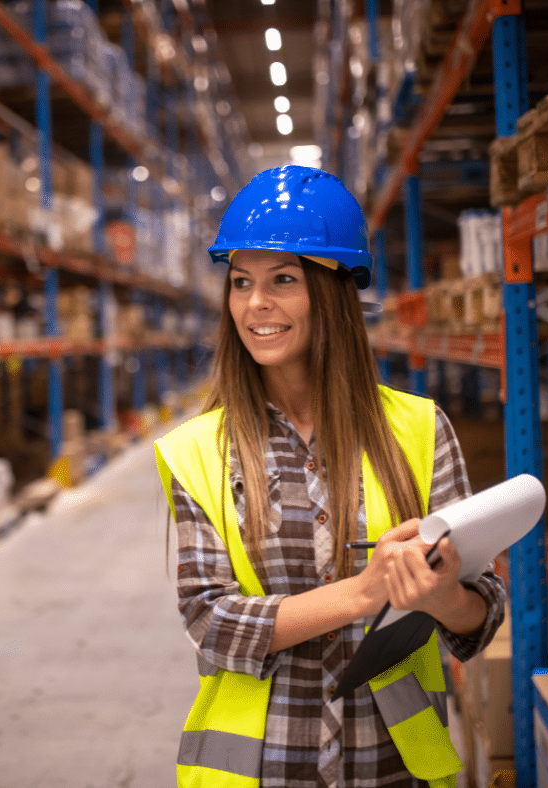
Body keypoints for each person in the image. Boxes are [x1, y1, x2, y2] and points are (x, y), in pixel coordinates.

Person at [154, 166, 506, 788]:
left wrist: (441, 595)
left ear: (334, 292)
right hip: (262, 770)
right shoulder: (200, 449)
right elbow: (211, 622)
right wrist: (366, 593)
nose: (255, 303)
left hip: (392, 766)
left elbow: (479, 620)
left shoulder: (418, 429)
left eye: (282, 280)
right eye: (241, 283)